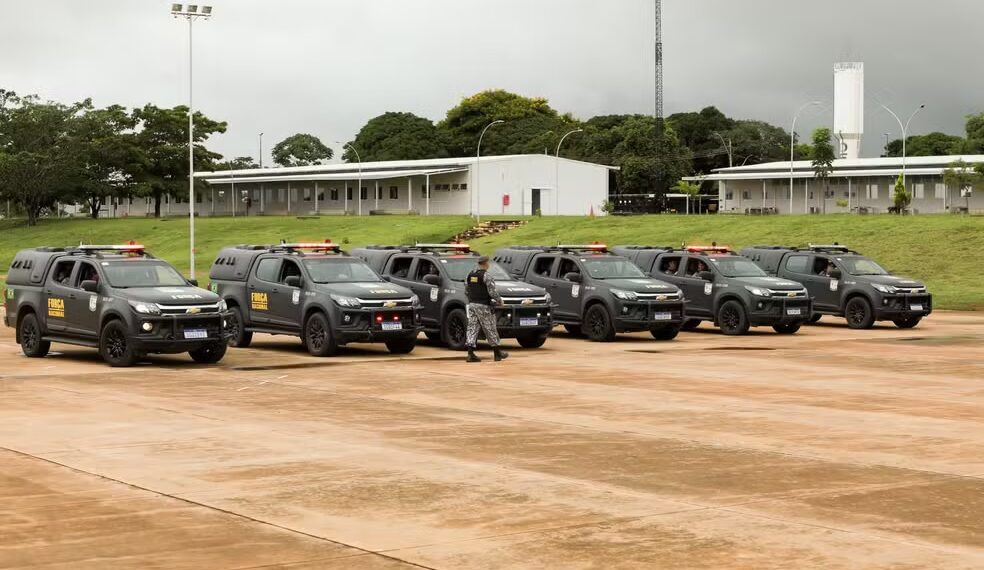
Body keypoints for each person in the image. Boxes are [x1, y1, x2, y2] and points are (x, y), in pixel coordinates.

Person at [464, 256, 507, 363]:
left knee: (472, 328)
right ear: (485, 264)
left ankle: (470, 353)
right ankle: (497, 353)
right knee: (490, 327)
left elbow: (466, 290)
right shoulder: (486, 276)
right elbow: (492, 292)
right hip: (484, 306)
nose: (489, 265)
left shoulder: (470, 275)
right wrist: (499, 300)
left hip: (472, 304)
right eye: (488, 263)